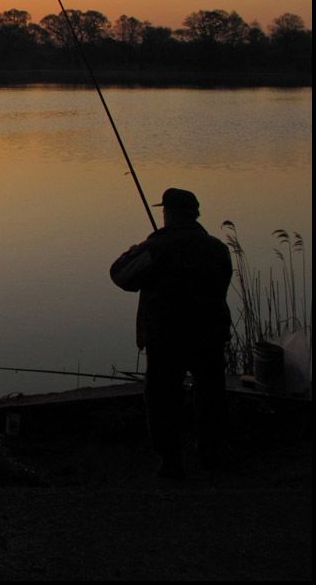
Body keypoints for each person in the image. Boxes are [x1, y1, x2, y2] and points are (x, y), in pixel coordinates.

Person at [110, 188, 233, 479]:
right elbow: (222, 283)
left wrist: (135, 250)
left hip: (166, 337)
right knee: (210, 393)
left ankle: (170, 461)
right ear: (195, 214)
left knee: (162, 398)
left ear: (170, 213)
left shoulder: (157, 249)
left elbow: (120, 275)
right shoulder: (217, 248)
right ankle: (211, 454)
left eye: (164, 210)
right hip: (210, 335)